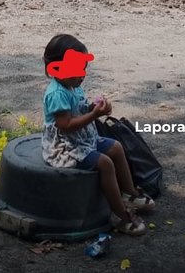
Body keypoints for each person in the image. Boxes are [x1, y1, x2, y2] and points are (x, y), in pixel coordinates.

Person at [42, 34, 155, 236]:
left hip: (83, 139)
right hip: (66, 147)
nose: (82, 74)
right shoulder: (56, 94)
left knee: (116, 147)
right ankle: (119, 213)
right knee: (105, 163)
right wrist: (94, 115)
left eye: (83, 68)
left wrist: (94, 107)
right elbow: (66, 125)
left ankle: (129, 193)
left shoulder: (73, 86)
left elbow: (80, 106)